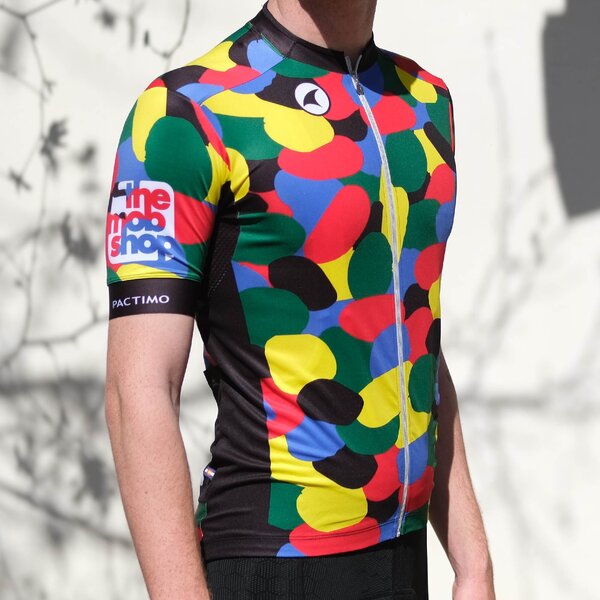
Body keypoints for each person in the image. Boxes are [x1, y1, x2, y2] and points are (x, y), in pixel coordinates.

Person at [104, 0, 496, 598]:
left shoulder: (424, 102)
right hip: (273, 556)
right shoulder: (187, 112)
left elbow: (411, 332)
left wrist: (473, 563)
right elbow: (137, 390)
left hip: (404, 553)